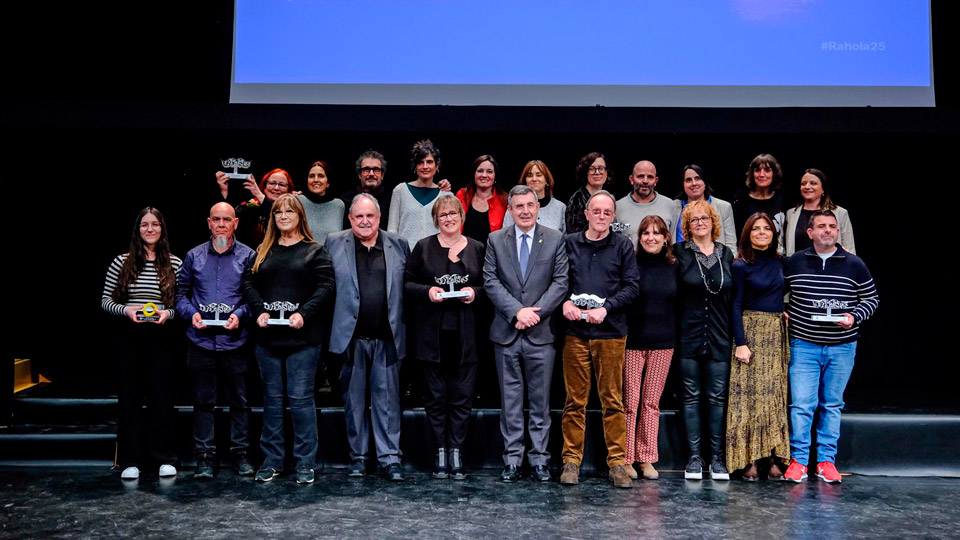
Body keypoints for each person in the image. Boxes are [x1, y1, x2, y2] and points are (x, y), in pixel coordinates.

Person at [243, 194, 335, 484]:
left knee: (300, 399)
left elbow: (326, 286)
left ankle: (305, 463)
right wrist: (258, 310)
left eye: (289, 212)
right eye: (278, 212)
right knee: (271, 401)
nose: (283, 216)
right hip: (268, 339)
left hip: (303, 339)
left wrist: (304, 314)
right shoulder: (263, 250)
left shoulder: (314, 250)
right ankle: (272, 461)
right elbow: (248, 283)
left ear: (299, 217)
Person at [782, 209, 878, 484]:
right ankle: (798, 461)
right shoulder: (794, 262)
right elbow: (774, 290)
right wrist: (783, 309)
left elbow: (871, 299)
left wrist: (854, 316)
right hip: (804, 345)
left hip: (842, 346)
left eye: (832, 226)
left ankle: (826, 461)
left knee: (832, 404)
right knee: (802, 405)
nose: (827, 230)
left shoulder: (854, 263)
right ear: (810, 232)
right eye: (821, 226)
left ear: (838, 231)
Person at [483, 185, 569, 482]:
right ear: (510, 209)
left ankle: (540, 460)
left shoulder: (556, 239)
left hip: (541, 333)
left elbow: (560, 282)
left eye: (530, 205)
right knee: (510, 402)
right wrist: (516, 311)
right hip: (506, 332)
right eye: (518, 206)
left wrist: (534, 313)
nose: (524, 211)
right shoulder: (496, 239)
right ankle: (512, 459)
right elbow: (491, 281)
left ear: (537, 207)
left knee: (540, 402)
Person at [326, 194, 411, 482]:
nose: (364, 221)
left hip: (387, 338)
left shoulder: (398, 245)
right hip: (350, 338)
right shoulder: (334, 243)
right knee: (354, 403)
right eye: (358, 216)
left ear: (379, 217)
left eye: (370, 216)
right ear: (350, 219)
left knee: (388, 403)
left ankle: (390, 459)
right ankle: (359, 458)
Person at [557, 191, 639, 488]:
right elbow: (558, 280)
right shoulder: (569, 243)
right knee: (574, 402)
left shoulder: (623, 245)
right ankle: (571, 462)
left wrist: (607, 308)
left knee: (612, 401)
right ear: (587, 214)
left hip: (611, 334)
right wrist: (564, 302)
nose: (602, 216)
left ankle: (617, 464)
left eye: (607, 212)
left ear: (613, 216)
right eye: (597, 211)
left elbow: (632, 286)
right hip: (575, 334)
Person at [404, 194, 485, 480]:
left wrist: (475, 293)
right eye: (443, 215)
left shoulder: (477, 248)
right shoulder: (423, 247)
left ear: (462, 217)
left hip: (467, 337)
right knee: (436, 398)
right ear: (436, 219)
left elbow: (490, 286)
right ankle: (440, 450)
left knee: (462, 399)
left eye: (453, 214)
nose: (448, 218)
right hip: (431, 337)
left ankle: (457, 452)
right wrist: (427, 292)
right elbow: (407, 283)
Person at [175, 203, 256, 479]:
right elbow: (180, 295)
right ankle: (204, 458)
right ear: (209, 223)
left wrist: (242, 315)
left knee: (240, 402)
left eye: (227, 220)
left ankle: (241, 455)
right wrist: (192, 314)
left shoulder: (248, 256)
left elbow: (253, 298)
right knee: (203, 402)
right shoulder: (193, 256)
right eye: (217, 220)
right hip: (200, 340)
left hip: (236, 341)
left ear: (235, 223)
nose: (221, 224)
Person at [101, 207, 182, 480]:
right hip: (129, 338)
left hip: (161, 338)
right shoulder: (121, 262)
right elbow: (106, 302)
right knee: (130, 400)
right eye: (144, 225)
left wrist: (166, 314)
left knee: (162, 399)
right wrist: (127, 310)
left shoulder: (175, 263)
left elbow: (181, 304)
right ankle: (130, 461)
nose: (150, 229)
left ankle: (164, 459)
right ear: (137, 230)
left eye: (155, 224)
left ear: (162, 229)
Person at [726, 212, 790, 481]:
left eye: (767, 229)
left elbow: (781, 293)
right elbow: (735, 304)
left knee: (773, 399)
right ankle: (749, 460)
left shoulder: (780, 262)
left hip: (775, 333)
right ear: (747, 234)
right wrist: (741, 342)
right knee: (748, 400)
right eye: (756, 229)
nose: (762, 233)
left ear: (774, 233)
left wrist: (783, 310)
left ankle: (774, 458)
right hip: (750, 332)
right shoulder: (741, 265)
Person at [674, 200, 734, 481]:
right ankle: (695, 458)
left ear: (713, 222)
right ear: (687, 226)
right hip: (689, 335)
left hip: (720, 336)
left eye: (704, 218)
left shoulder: (726, 254)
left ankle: (717, 459)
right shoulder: (679, 253)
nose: (699, 223)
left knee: (717, 399)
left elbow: (733, 298)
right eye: (694, 219)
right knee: (691, 398)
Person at [623, 215, 679, 481]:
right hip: (632, 342)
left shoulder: (674, 266)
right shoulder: (630, 264)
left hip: (663, 343)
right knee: (630, 403)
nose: (651, 238)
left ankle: (646, 459)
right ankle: (625, 458)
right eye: (646, 233)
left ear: (666, 237)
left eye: (657, 233)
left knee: (650, 403)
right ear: (639, 236)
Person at [782, 168, 856, 256]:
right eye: (803, 184)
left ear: (823, 189)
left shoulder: (840, 213)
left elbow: (850, 250)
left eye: (813, 183)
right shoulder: (790, 214)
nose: (807, 187)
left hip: (831, 268)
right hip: (798, 268)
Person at [388, 139, 447, 247]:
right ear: (415, 166)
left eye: (429, 162)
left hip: (436, 258)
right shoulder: (400, 191)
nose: (425, 166)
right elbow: (392, 230)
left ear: (437, 166)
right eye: (420, 162)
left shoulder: (445, 195)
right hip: (405, 257)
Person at [673, 164, 737, 253]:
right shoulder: (673, 207)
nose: (694, 183)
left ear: (705, 182)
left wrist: (726, 264)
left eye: (698, 178)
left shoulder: (724, 207)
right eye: (688, 180)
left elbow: (731, 245)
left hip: (716, 262)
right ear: (683, 184)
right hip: (681, 262)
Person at [615, 160, 676, 249]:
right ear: (631, 179)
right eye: (640, 176)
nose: (645, 181)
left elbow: (673, 243)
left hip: (662, 262)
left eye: (650, 177)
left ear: (656, 180)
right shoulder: (617, 208)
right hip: (627, 262)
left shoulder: (670, 205)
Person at [231, 168, 295, 248]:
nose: (276, 188)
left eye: (282, 185)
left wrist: (259, 195)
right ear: (264, 186)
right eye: (272, 183)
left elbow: (277, 215)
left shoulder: (294, 209)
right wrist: (224, 191)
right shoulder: (250, 206)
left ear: (288, 189)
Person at [455, 154, 507, 246]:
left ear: (495, 176)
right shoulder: (461, 196)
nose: (484, 175)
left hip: (493, 258)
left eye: (489, 172)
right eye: (480, 171)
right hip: (463, 256)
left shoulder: (505, 201)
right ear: (474, 174)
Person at [502, 160, 566, 233]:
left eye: (539, 175)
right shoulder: (514, 206)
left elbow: (564, 239)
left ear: (547, 180)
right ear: (525, 181)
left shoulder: (560, 208)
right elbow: (505, 237)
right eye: (530, 175)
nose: (534, 179)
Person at [731, 154, 786, 237]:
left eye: (767, 170)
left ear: (774, 173)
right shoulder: (740, 200)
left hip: (779, 249)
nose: (761, 175)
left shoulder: (785, 198)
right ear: (752, 174)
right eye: (757, 170)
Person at [339, 149, 393, 229]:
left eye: (376, 170)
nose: (371, 174)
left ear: (382, 175)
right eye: (366, 170)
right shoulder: (346, 200)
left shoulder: (392, 200)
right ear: (359, 175)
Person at [297, 160, 345, 245]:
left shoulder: (339, 205)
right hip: (303, 257)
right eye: (312, 176)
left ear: (328, 183)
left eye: (321, 176)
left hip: (331, 257)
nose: (316, 180)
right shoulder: (297, 202)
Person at [565, 152, 611, 233]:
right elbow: (574, 235)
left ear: (606, 172)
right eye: (592, 169)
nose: (597, 172)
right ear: (585, 172)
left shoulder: (609, 197)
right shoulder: (576, 200)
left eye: (601, 168)